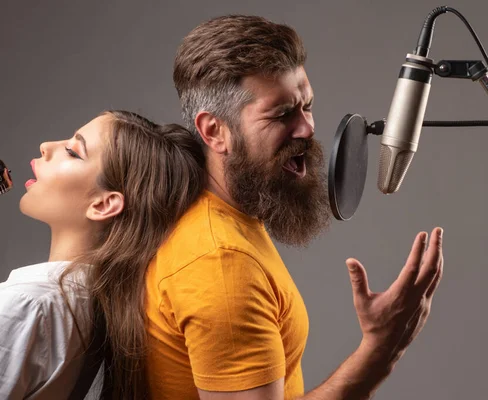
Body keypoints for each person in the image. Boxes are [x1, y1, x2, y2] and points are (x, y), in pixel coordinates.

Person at [144, 15, 445, 399]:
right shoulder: (220, 265)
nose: (306, 128)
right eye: (282, 114)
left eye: (307, 106)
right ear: (214, 131)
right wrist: (382, 348)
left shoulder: (228, 220)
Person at [0, 110, 206, 399]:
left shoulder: (29, 306)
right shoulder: (92, 306)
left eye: (72, 151)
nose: (45, 145)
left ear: (103, 204)